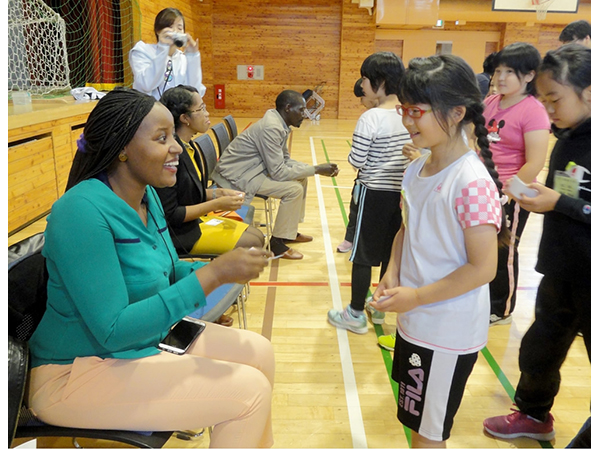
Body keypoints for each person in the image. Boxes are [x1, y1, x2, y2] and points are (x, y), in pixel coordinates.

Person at [27, 88, 275, 448]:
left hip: (137, 346)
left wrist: (224, 268)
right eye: (162, 138)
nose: (176, 148)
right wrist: (212, 275)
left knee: (259, 352)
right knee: (248, 394)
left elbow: (169, 272)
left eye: (174, 135)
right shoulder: (80, 212)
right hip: (75, 371)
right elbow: (112, 330)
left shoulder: (147, 195)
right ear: (123, 148)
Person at [367, 54, 508, 448]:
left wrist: (415, 297)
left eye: (416, 111)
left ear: (456, 112)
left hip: (446, 331)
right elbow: (406, 230)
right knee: (415, 426)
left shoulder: (471, 183)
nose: (406, 121)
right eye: (403, 109)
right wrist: (393, 273)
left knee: (430, 437)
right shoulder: (417, 168)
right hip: (415, 321)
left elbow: (483, 269)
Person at [483, 43, 590, 443]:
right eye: (544, 101)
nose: (548, 111)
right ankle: (533, 413)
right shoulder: (569, 136)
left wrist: (559, 202)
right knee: (538, 350)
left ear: (590, 90)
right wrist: (548, 200)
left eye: (555, 99)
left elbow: (575, 202)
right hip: (562, 268)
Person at [327, 52, 411, 334]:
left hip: (372, 192)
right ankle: (380, 306)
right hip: (400, 195)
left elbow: (356, 160)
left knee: (362, 255)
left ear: (380, 81)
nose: (362, 84)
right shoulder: (409, 112)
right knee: (391, 253)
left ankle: (354, 314)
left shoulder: (371, 117)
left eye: (365, 78)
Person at [211, 90, 339, 260]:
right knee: (294, 190)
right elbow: (278, 172)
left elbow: (284, 159)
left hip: (253, 169)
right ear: (288, 108)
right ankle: (277, 245)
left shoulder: (280, 123)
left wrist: (312, 168)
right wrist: (315, 169)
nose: (304, 114)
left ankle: (288, 232)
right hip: (237, 176)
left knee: (300, 178)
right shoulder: (271, 127)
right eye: (301, 110)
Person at [483, 42, 550, 326]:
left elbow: (535, 162)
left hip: (512, 193)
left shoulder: (533, 110)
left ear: (529, 76)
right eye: (498, 70)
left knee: (504, 251)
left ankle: (502, 308)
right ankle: (482, 298)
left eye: (510, 71)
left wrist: (511, 192)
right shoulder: (490, 102)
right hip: (484, 186)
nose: (500, 77)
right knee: (481, 246)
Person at [157, 85, 265, 257]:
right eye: (201, 109)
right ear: (185, 118)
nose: (207, 114)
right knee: (252, 242)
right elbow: (172, 214)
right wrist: (216, 204)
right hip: (180, 235)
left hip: (196, 222)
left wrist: (218, 193)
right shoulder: (171, 156)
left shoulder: (189, 145)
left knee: (258, 236)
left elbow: (190, 193)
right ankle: (214, 280)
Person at [336, 78, 379, 254]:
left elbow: (357, 159)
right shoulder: (371, 117)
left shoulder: (369, 118)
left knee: (359, 208)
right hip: (370, 178)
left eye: (362, 97)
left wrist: (354, 157)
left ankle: (355, 241)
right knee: (356, 209)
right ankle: (350, 238)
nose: (361, 103)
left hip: (372, 181)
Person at [129, 8, 206, 100]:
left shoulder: (183, 58)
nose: (175, 31)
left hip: (177, 113)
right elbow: (146, 84)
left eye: (179, 28)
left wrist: (193, 56)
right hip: (150, 111)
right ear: (158, 30)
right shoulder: (142, 50)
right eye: (170, 27)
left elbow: (194, 92)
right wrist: (163, 49)